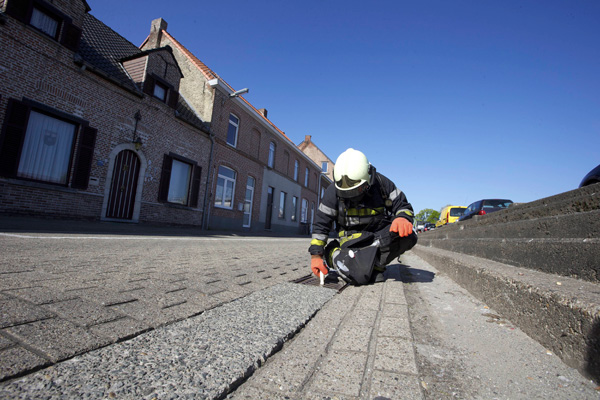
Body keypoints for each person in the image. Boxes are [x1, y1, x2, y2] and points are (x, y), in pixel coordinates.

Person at [309, 148, 417, 284]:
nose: (352, 196)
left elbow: (402, 206)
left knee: (409, 235)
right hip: (351, 242)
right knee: (359, 276)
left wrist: (402, 218)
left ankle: (373, 267)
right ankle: (333, 253)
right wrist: (316, 255)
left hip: (377, 237)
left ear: (369, 179)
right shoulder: (332, 191)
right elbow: (321, 224)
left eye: (357, 190)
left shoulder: (382, 185)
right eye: (346, 193)